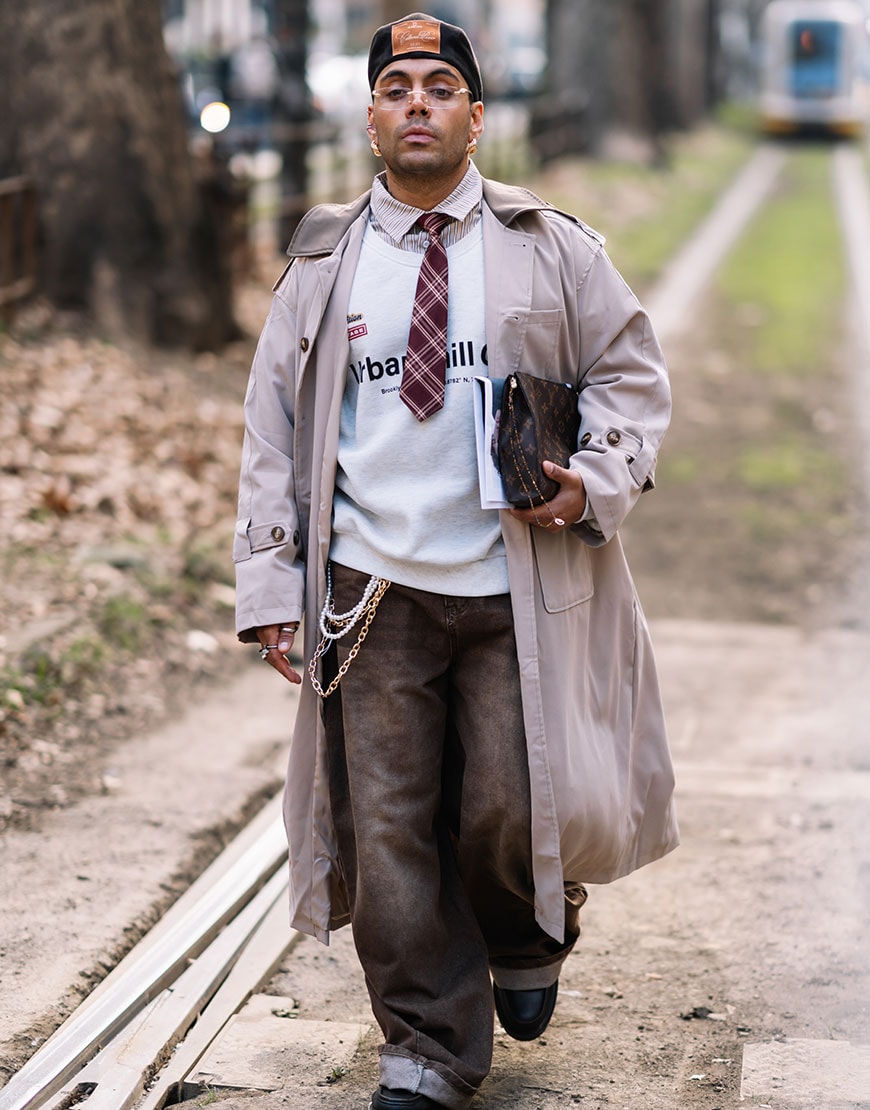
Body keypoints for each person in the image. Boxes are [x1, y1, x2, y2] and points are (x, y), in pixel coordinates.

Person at [234, 13, 679, 1110]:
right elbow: (272, 432)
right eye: (396, 87)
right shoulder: (324, 262)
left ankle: (527, 929)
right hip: (369, 593)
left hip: (513, 586)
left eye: (440, 87)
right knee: (386, 829)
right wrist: (271, 588)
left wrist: (596, 476)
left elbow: (630, 375)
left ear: (477, 119)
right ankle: (426, 1047)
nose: (417, 103)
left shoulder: (548, 245)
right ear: (373, 118)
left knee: (504, 806)